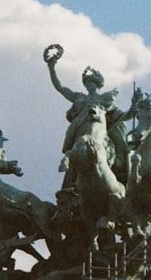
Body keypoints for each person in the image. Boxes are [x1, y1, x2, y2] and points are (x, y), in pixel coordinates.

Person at [44, 44, 137, 184]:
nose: (88, 84)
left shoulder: (105, 99)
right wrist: (52, 68)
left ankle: (113, 167)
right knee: (75, 152)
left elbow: (120, 116)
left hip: (100, 132)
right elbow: (60, 87)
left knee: (115, 155)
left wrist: (133, 110)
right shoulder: (79, 97)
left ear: (98, 83)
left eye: (91, 81)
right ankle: (71, 182)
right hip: (79, 131)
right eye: (87, 82)